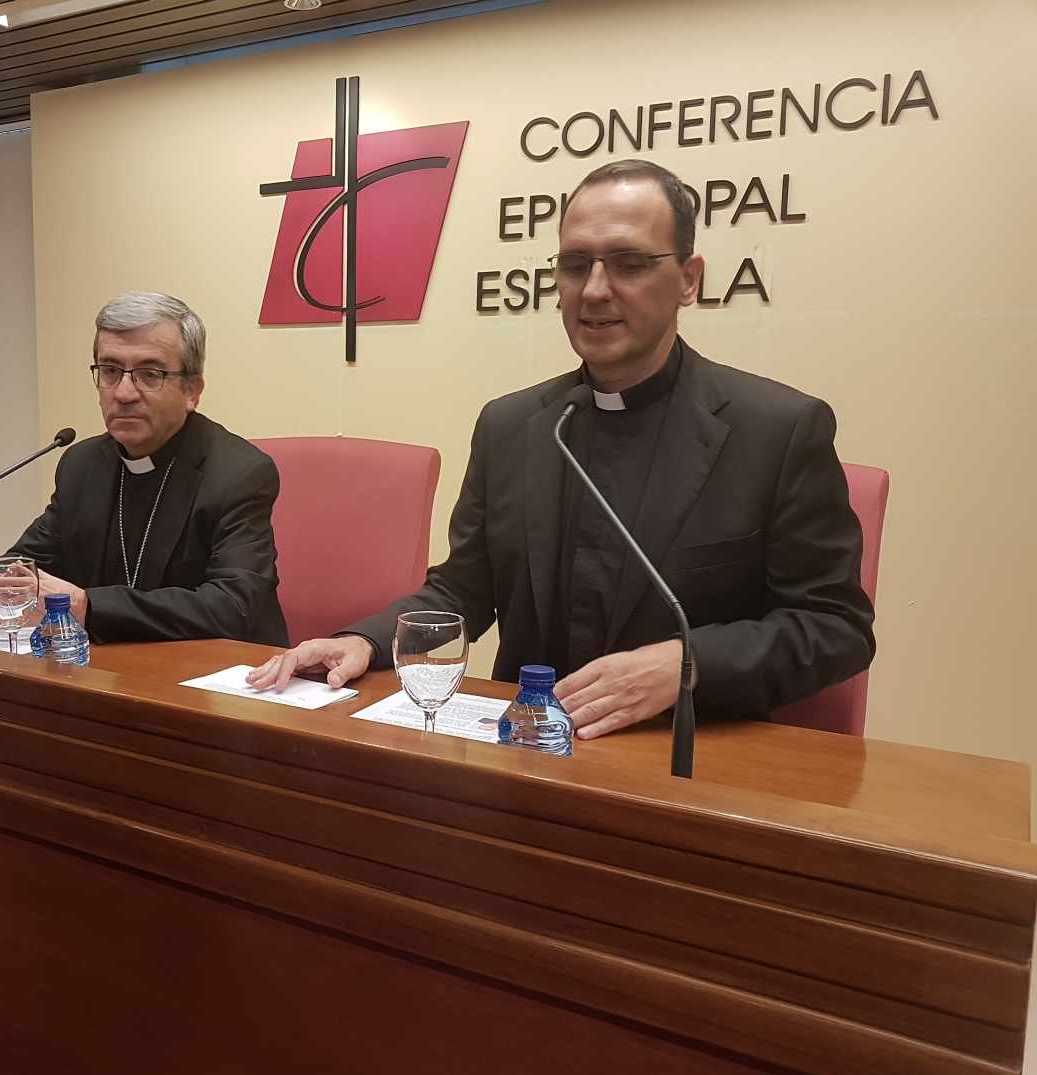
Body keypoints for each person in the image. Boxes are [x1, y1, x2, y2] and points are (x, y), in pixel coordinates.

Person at [248, 159, 874, 737]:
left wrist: (687, 664)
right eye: (575, 265)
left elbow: (836, 628)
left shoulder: (778, 428)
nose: (595, 289)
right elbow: (464, 589)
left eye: (628, 264)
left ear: (688, 279)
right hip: (524, 750)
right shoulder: (512, 425)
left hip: (690, 756)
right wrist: (365, 640)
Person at [0, 292, 288, 646]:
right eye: (111, 371)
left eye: (149, 374)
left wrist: (90, 607)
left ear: (192, 391)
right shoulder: (82, 465)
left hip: (218, 681)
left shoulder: (239, 473)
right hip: (106, 672)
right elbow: (29, 567)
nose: (124, 392)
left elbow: (232, 607)